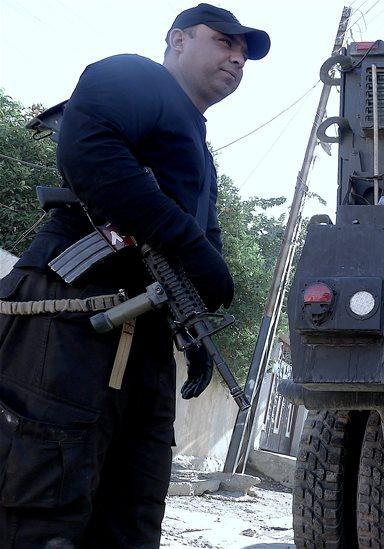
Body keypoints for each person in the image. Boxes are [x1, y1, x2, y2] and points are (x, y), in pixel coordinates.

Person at [0, 4, 269, 547]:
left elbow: (203, 237)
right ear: (177, 41)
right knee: (44, 506)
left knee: (133, 508)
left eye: (245, 53)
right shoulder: (132, 75)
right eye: (224, 42)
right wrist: (189, 244)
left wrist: (196, 327)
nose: (238, 58)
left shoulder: (197, 144)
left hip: (145, 333)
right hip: (72, 313)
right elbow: (90, 153)